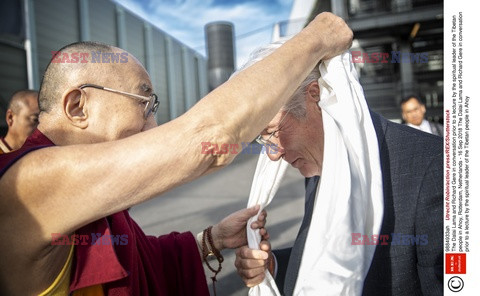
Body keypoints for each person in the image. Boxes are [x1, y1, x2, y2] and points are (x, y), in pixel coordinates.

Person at [0, 12, 353, 295]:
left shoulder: (84, 201)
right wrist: (318, 35)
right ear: (78, 106)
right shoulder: (27, 182)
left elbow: (141, 258)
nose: (153, 125)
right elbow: (211, 138)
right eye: (145, 103)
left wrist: (213, 239)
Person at [234, 41, 443, 295]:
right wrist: (274, 265)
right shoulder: (318, 163)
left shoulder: (433, 166)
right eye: (262, 139)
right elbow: (328, 253)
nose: (273, 154)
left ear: (315, 95)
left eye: (272, 132)